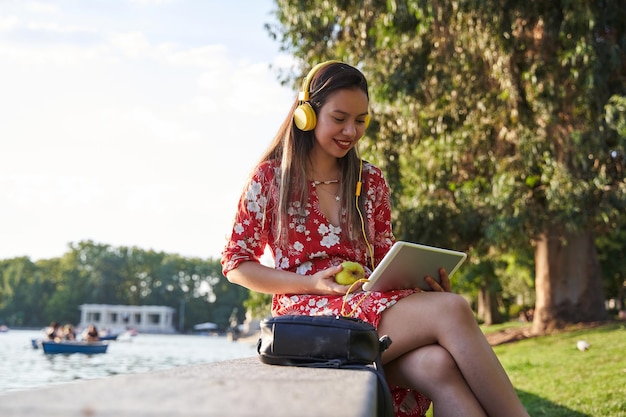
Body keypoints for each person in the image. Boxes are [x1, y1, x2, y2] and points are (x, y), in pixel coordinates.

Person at [221, 60, 529, 417]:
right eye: (340, 119)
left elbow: (385, 260)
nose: (351, 131)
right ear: (307, 114)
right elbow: (235, 264)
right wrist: (310, 283)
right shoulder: (269, 179)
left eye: (361, 120)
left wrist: (421, 289)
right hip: (307, 317)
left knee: (437, 365)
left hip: (368, 311)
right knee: (454, 309)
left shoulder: (371, 180)